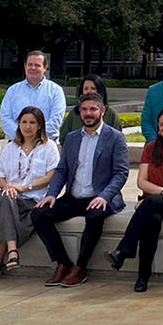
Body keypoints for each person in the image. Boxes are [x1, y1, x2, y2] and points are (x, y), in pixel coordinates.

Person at [32, 94, 130, 288]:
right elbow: (62, 170)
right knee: (38, 214)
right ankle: (63, 263)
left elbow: (121, 173)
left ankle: (80, 267)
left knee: (94, 217)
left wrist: (105, 196)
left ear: (103, 110)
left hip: (101, 197)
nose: (88, 113)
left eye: (93, 109)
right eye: (84, 109)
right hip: (74, 197)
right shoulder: (72, 138)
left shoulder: (115, 137)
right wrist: (51, 194)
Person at [106, 107, 163, 292]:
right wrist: (160, 193)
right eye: (162, 124)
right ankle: (143, 277)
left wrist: (153, 196)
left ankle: (124, 250)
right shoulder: (150, 148)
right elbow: (141, 181)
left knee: (148, 205)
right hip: (154, 201)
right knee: (152, 220)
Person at [0, 106, 58, 282]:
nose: (27, 126)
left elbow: (51, 176)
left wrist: (25, 187)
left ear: (39, 126)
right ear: (18, 124)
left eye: (32, 122)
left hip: (32, 200)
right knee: (6, 197)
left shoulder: (48, 146)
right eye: (24, 122)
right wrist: (8, 187)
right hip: (10, 196)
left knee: (3, 204)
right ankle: (12, 250)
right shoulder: (11, 148)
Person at [0, 50, 65, 142]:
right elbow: (5, 118)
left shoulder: (56, 91)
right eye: (30, 64)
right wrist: (22, 137)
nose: (33, 68)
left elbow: (56, 120)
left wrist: (35, 138)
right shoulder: (12, 91)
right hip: (17, 143)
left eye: (37, 65)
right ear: (25, 66)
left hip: (46, 143)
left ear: (45, 68)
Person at [60, 75, 120, 140]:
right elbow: (63, 138)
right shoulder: (74, 114)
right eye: (86, 89)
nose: (89, 91)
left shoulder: (111, 115)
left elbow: (117, 139)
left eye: (93, 88)